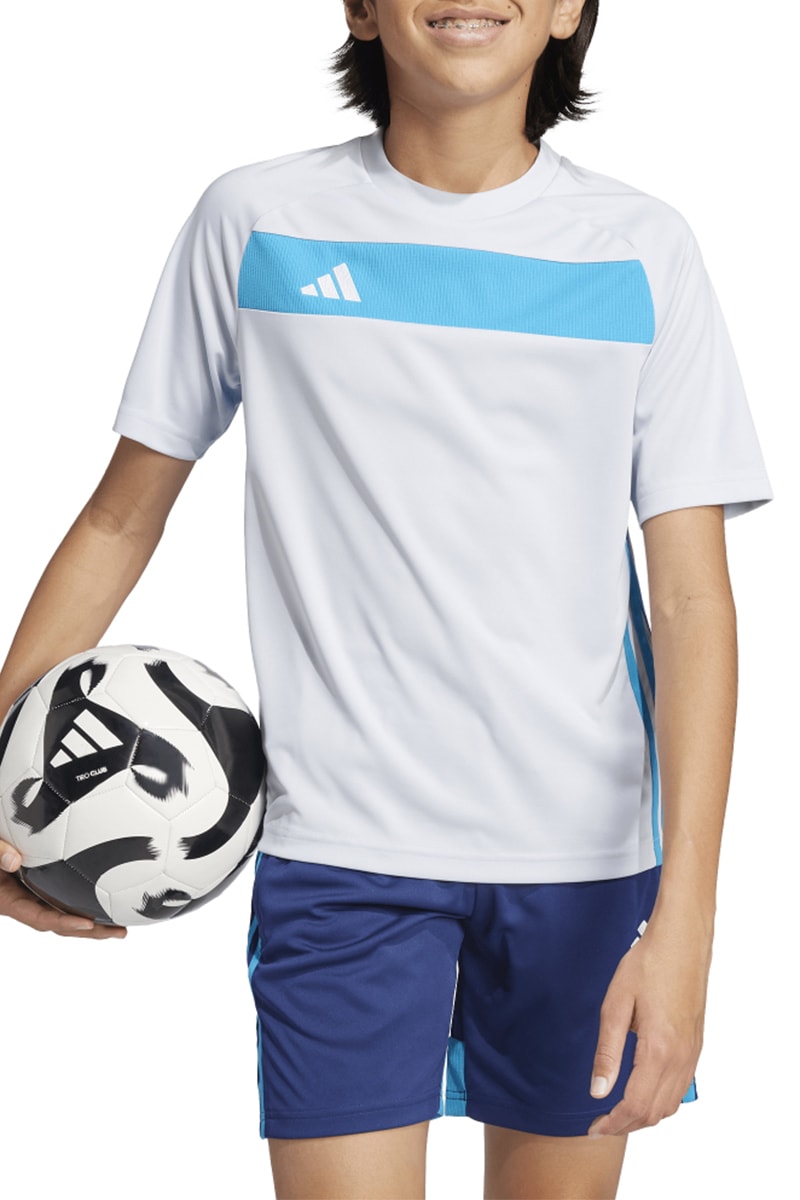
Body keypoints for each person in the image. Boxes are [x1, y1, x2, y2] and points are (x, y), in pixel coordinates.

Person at [0, 1, 773, 1197]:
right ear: (360, 7)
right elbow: (118, 519)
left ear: (568, 9)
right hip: (337, 850)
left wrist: (686, 930)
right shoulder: (255, 222)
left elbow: (690, 606)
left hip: (583, 860)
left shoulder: (639, 247)